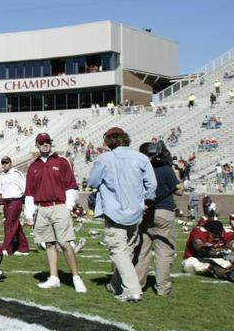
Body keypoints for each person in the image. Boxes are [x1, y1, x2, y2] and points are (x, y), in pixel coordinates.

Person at [87, 127, 156, 302]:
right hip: (136, 211)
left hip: (114, 211)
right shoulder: (141, 158)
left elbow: (93, 181)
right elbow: (152, 185)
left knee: (118, 250)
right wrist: (145, 202)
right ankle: (116, 284)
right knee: (128, 250)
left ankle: (132, 289)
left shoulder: (105, 158)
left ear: (109, 141)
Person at [24, 133, 86, 292]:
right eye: (42, 142)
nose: (45, 144)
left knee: (65, 243)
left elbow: (70, 186)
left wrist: (69, 206)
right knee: (49, 244)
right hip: (42, 209)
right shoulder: (33, 166)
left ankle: (76, 277)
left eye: (48, 142)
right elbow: (30, 192)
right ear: (37, 145)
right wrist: (29, 214)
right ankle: (54, 277)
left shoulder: (61, 161)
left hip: (59, 205)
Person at [134, 141, 182, 296]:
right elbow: (179, 191)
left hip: (145, 211)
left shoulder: (140, 170)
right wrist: (177, 174)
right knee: (164, 252)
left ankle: (137, 285)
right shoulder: (166, 169)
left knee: (142, 251)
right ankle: (163, 288)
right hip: (164, 211)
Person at [0, 157, 28, 255]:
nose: (4, 165)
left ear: (10, 163)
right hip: (6, 202)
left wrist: (26, 203)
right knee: (15, 224)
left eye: (6, 163)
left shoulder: (17, 174)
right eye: (3, 163)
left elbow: (25, 188)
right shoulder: (2, 175)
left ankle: (6, 248)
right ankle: (24, 248)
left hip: (15, 201)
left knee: (9, 224)